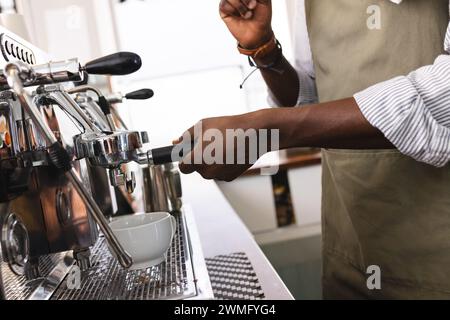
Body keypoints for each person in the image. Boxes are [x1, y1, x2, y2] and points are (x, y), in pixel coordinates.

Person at [177, 0, 450, 299]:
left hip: (434, 256)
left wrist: (266, 131)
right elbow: (316, 100)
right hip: (348, 246)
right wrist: (265, 50)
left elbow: (442, 97)